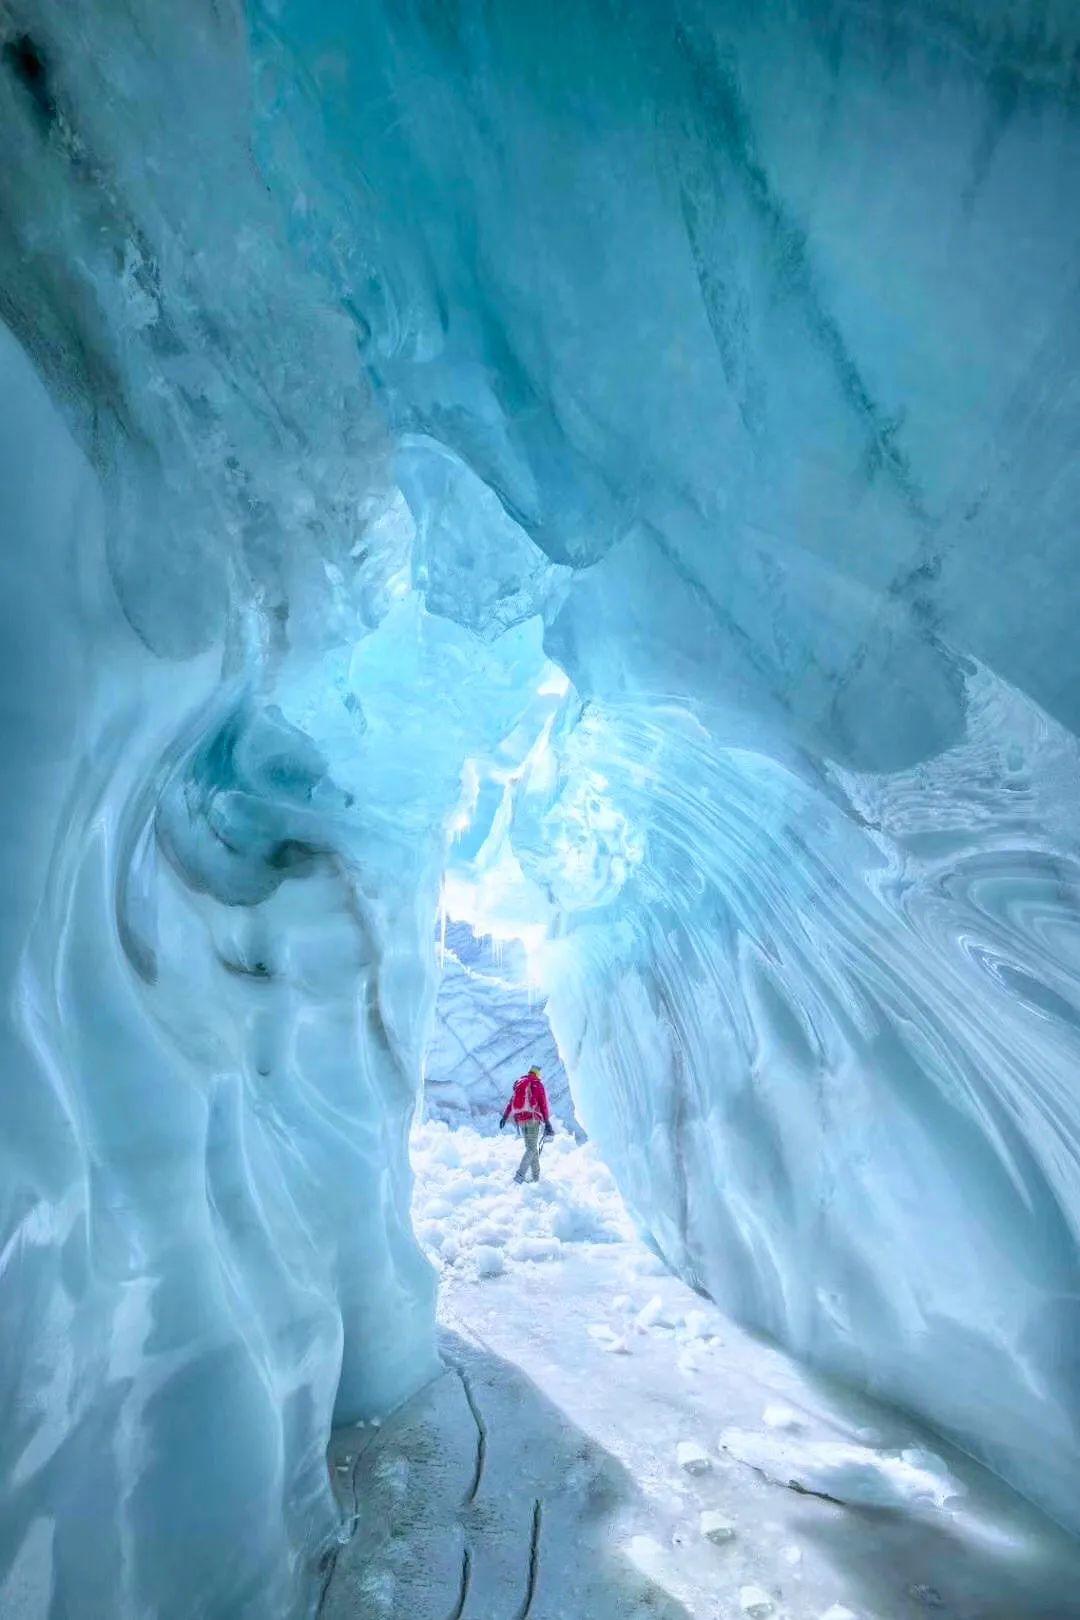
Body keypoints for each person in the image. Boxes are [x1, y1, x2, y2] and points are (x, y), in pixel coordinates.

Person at [499, 1064, 554, 1183]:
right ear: (538, 1074)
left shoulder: (520, 1083)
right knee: (531, 1149)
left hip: (521, 1120)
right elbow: (543, 1105)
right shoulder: (537, 1084)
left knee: (532, 1148)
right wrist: (547, 1122)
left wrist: (505, 1116)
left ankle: (535, 1178)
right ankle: (519, 1177)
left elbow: (511, 1101)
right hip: (533, 1119)